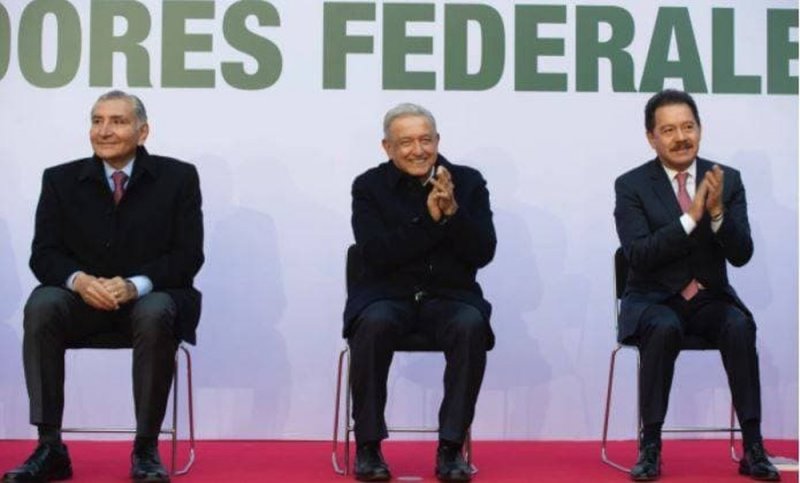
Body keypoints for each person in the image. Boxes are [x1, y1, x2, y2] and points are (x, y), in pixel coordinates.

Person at [3, 90, 204, 483]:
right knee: (42, 304)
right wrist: (79, 281)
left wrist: (134, 285)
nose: (104, 131)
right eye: (97, 121)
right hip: (82, 306)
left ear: (142, 132)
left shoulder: (178, 178)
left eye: (118, 121)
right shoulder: (60, 179)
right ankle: (50, 446)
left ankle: (145, 449)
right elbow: (44, 255)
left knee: (155, 310)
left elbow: (187, 256)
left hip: (148, 304)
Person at [613, 89, 780, 482]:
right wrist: (691, 218)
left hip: (709, 299)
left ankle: (753, 447)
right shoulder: (631, 185)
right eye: (669, 130)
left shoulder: (727, 180)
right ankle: (650, 447)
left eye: (688, 127)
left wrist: (717, 213)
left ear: (700, 130)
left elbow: (741, 254)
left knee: (739, 325)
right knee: (663, 327)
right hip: (654, 300)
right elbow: (639, 255)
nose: (681, 138)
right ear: (651, 137)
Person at [343, 103, 496, 482]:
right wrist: (429, 221)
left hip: (449, 297)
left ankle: (451, 448)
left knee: (471, 324)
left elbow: (483, 252)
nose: (418, 150)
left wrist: (454, 214)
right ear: (387, 147)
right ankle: (368, 447)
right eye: (406, 142)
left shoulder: (468, 182)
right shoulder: (368, 187)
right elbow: (375, 255)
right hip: (387, 295)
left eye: (425, 140)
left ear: (438, 141)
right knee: (373, 324)